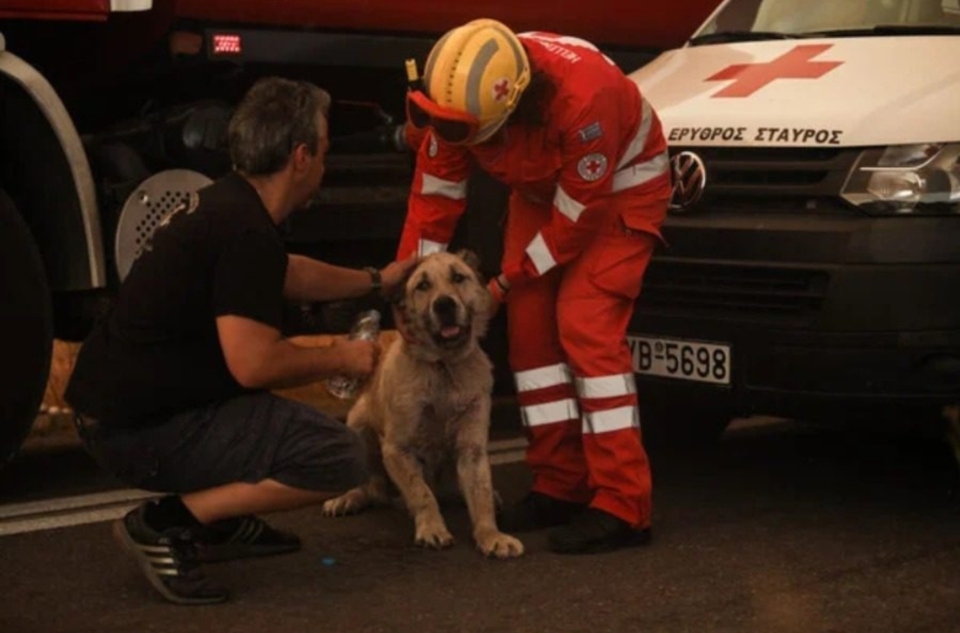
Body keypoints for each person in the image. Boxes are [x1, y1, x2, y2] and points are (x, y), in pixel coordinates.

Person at [64, 77, 417, 605]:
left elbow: (287, 272)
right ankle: (167, 523)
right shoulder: (245, 231)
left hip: (116, 414)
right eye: (323, 151)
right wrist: (340, 357)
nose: (325, 164)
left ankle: (220, 522)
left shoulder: (227, 205)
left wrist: (376, 280)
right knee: (339, 455)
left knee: (261, 409)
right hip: (134, 434)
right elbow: (254, 364)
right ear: (301, 157)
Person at [396, 19, 672, 554]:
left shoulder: (585, 101)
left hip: (620, 188)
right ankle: (560, 484)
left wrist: (505, 280)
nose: (458, 141)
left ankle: (623, 504)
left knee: (584, 324)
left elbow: (574, 220)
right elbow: (434, 199)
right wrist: (412, 293)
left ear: (514, 109)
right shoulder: (461, 99)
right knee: (530, 337)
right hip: (544, 189)